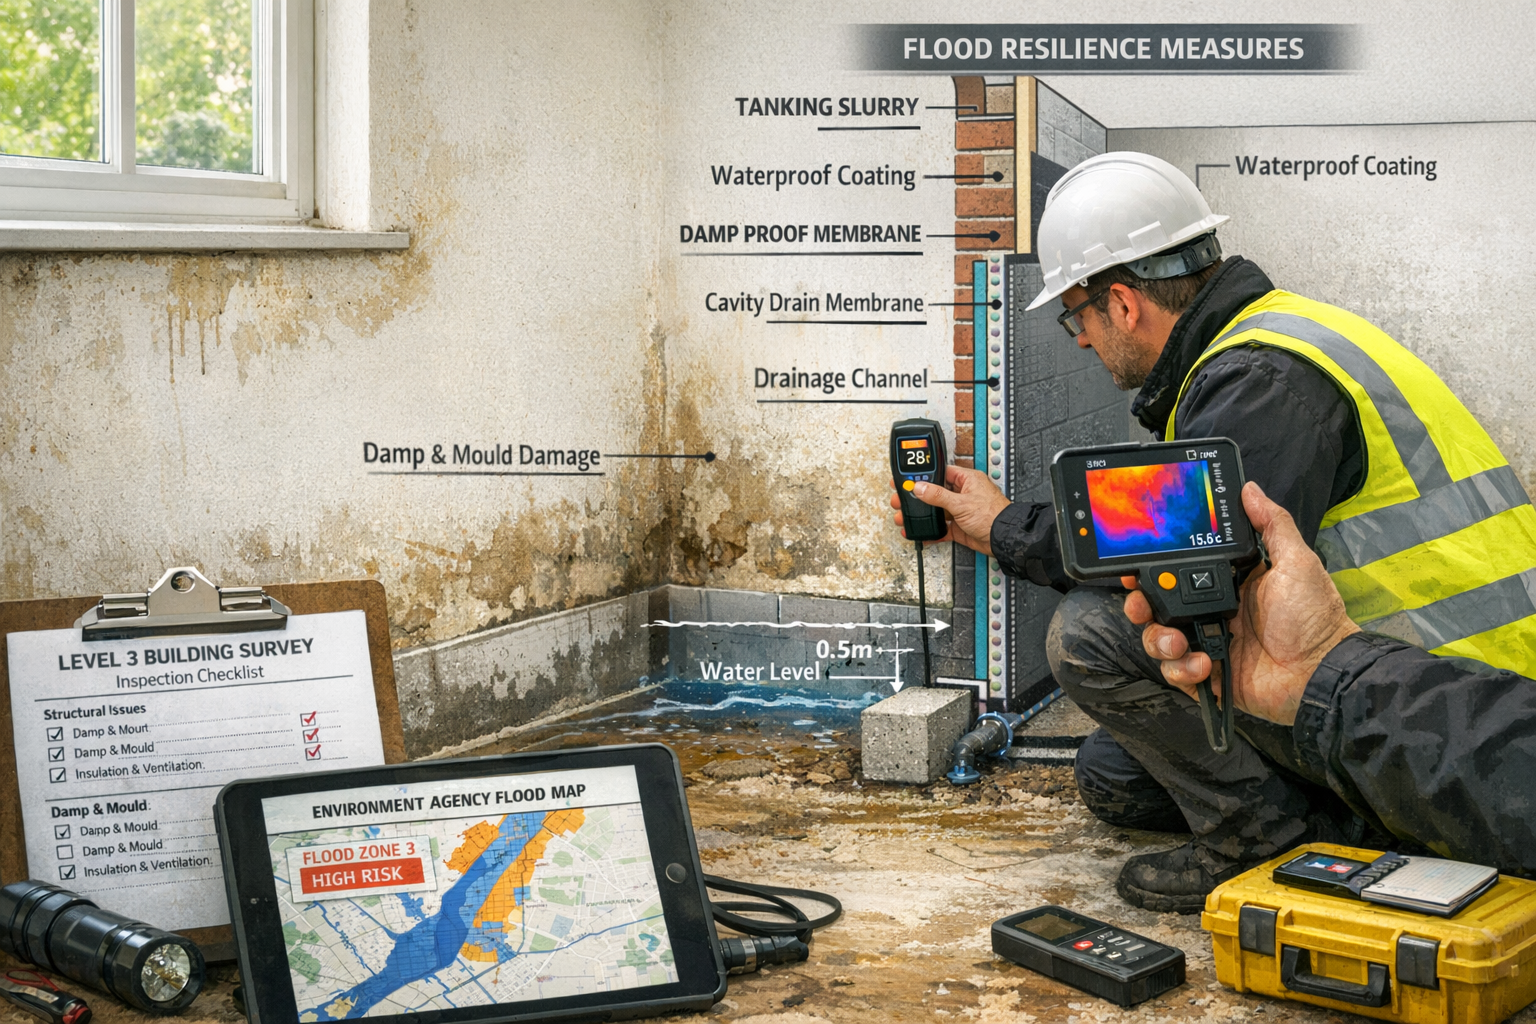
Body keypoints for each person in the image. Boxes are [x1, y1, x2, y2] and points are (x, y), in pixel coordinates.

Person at [892, 151, 1536, 912]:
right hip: (1435, 678)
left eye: (1078, 315)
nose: (1079, 339)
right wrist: (1006, 524)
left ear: (1124, 304)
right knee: (1114, 773)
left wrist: (1004, 527)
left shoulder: (1259, 382)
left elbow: (1166, 553)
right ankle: (1343, 817)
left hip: (1439, 714)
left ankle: (1272, 844)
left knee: (1094, 631)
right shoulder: (1274, 339)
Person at [1127, 480, 1536, 878]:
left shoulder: (1268, 409)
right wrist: (1322, 666)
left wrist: (1333, 676)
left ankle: (1305, 833)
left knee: (1088, 632)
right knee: (1108, 775)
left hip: (1438, 689)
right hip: (1427, 694)